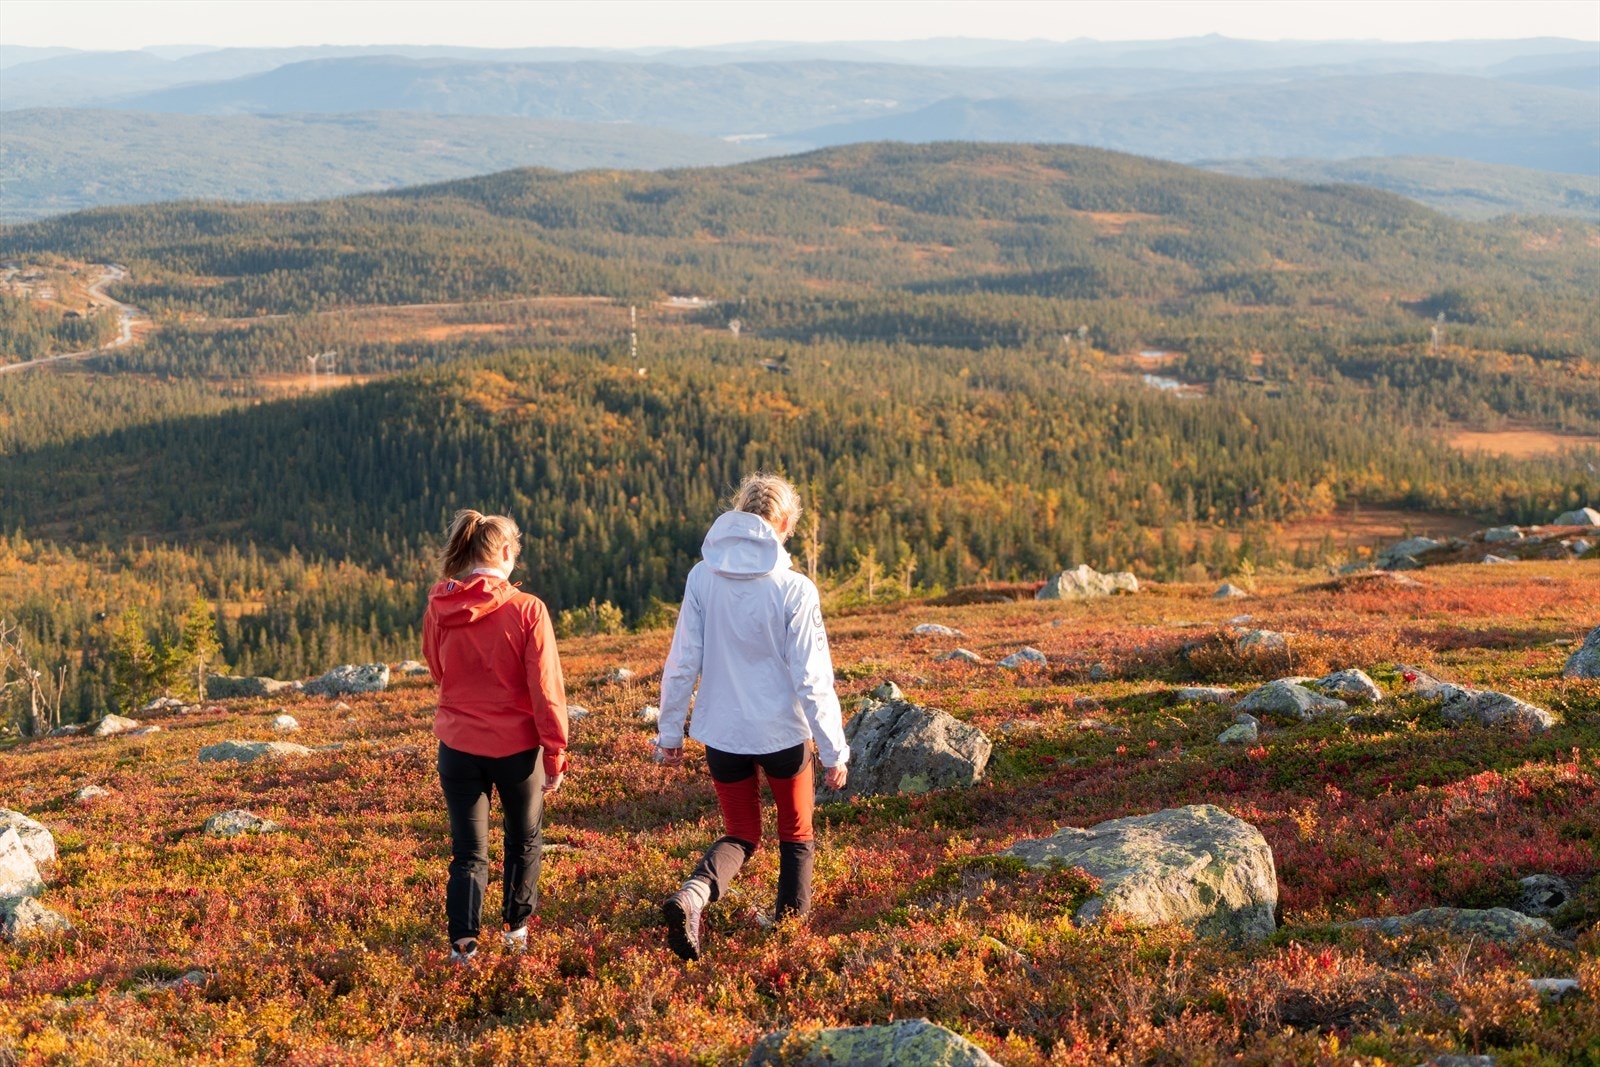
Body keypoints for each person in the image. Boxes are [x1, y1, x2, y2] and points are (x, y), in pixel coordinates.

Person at [654, 473, 850, 961]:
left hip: (722, 734)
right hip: (784, 736)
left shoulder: (702, 576)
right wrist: (833, 749)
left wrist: (670, 732)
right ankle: (786, 938)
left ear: (740, 514)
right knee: (797, 833)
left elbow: (682, 662)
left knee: (742, 832)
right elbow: (813, 679)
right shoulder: (794, 588)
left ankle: (694, 894)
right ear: (784, 523)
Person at [422, 509, 569, 967]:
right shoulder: (528, 610)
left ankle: (463, 947)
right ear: (506, 552)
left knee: (468, 852)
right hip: (517, 750)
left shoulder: (439, 607)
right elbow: (546, 691)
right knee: (523, 841)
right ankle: (515, 933)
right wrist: (556, 753)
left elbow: (436, 668)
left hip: (458, 747)